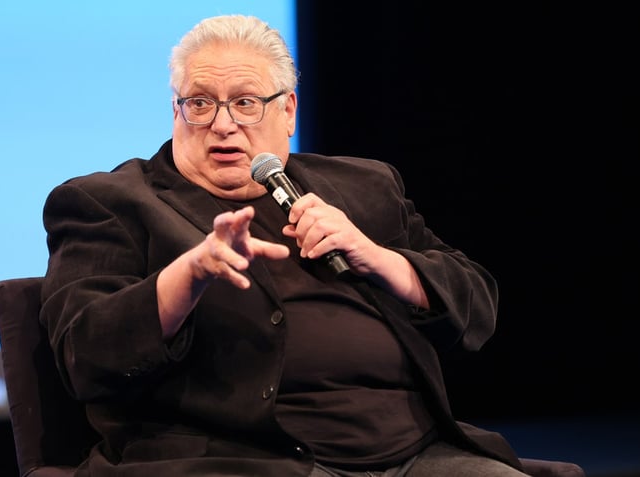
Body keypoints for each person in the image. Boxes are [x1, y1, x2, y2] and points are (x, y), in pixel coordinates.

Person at [39, 14, 580, 477]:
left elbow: (476, 305)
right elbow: (85, 354)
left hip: (416, 453)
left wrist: (381, 259)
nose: (222, 125)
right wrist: (190, 274)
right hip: (241, 459)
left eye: (246, 103)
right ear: (176, 111)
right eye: (199, 103)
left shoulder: (364, 187)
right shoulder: (110, 202)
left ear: (289, 111)